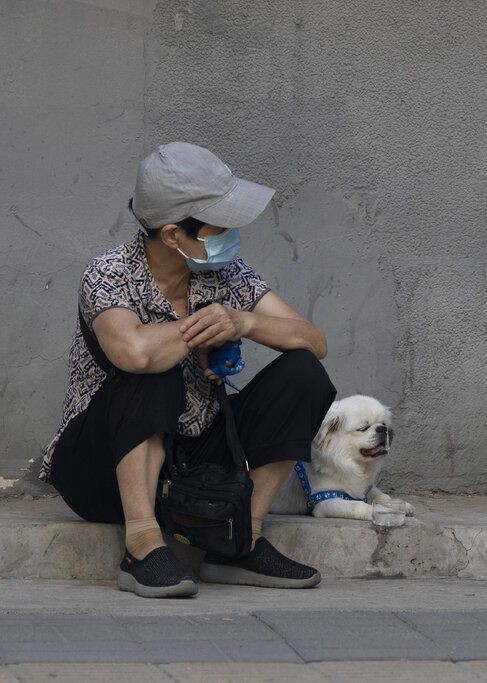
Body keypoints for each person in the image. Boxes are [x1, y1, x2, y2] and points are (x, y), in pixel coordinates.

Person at [41, 142, 337, 598]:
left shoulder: (227, 273)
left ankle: (239, 538)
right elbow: (134, 353)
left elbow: (314, 341)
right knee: (153, 367)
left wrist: (244, 321)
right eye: (220, 226)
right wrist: (193, 333)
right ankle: (141, 544)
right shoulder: (108, 273)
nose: (232, 234)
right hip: (101, 467)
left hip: (191, 457)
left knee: (303, 374)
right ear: (174, 235)